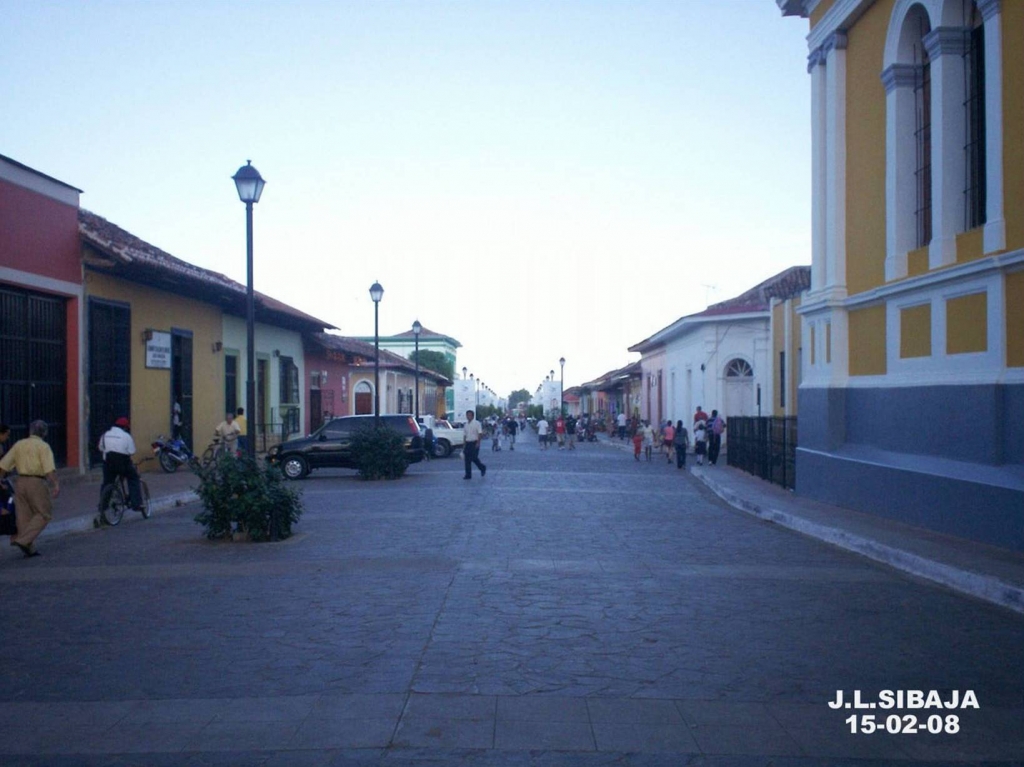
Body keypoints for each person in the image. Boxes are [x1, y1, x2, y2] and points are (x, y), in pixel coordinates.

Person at [0, 420, 60, 557]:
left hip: (20, 481)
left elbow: (3, 465)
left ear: (30, 431)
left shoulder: (19, 444)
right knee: (44, 513)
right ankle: (23, 540)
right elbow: (49, 469)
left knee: (23, 515)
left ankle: (29, 547)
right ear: (44, 433)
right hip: (36, 482)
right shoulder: (43, 447)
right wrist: (56, 484)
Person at [98, 417, 144, 520]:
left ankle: (103, 505)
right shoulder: (126, 436)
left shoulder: (105, 435)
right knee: (133, 478)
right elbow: (132, 451)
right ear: (124, 427)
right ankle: (136, 503)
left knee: (107, 483)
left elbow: (101, 448)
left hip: (108, 464)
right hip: (122, 464)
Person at [462, 410, 487, 479]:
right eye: (467, 415)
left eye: (469, 415)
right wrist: (464, 444)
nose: (468, 417)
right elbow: (464, 435)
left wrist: (478, 443)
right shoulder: (466, 424)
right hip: (468, 443)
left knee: (474, 457)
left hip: (474, 442)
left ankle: (482, 467)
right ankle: (468, 475)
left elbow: (480, 433)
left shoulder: (477, 423)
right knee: (467, 459)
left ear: (472, 416)